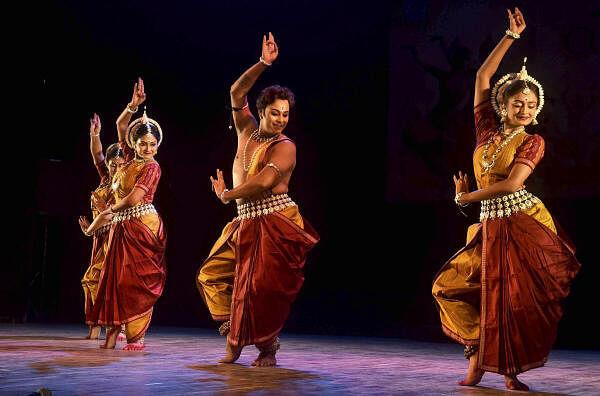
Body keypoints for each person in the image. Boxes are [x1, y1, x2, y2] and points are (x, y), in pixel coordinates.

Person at [432, 8, 580, 391]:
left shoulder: (533, 141)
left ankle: (509, 371)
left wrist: (466, 196)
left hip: (521, 221)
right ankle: (478, 359)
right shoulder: (486, 130)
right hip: (488, 223)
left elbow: (513, 185)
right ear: (503, 104)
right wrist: (510, 37)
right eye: (518, 103)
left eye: (532, 106)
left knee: (512, 298)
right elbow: (483, 77)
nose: (525, 109)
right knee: (454, 287)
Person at [197, 33, 319, 367]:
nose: (281, 119)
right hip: (244, 220)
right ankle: (235, 332)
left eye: (286, 114)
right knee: (211, 275)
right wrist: (263, 64)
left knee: (259, 291)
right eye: (276, 113)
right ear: (261, 110)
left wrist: (226, 195)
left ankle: (265, 348)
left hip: (274, 222)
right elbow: (236, 92)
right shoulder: (246, 128)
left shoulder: (286, 146)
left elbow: (264, 181)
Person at [86, 78, 167, 351]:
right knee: (115, 280)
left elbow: (134, 197)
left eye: (152, 144)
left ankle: (137, 335)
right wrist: (133, 105)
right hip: (122, 225)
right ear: (134, 144)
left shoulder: (152, 167)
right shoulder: (129, 159)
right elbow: (122, 126)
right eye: (143, 143)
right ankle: (112, 331)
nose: (148, 148)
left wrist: (107, 212)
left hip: (143, 225)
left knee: (135, 281)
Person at [78, 113, 123, 340]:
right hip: (100, 237)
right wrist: (94, 134)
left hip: (115, 237)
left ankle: (118, 326)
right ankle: (95, 326)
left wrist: (91, 227)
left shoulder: (124, 184)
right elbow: (97, 155)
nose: (114, 168)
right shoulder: (107, 178)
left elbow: (111, 214)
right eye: (112, 164)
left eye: (118, 165)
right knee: (93, 281)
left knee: (104, 281)